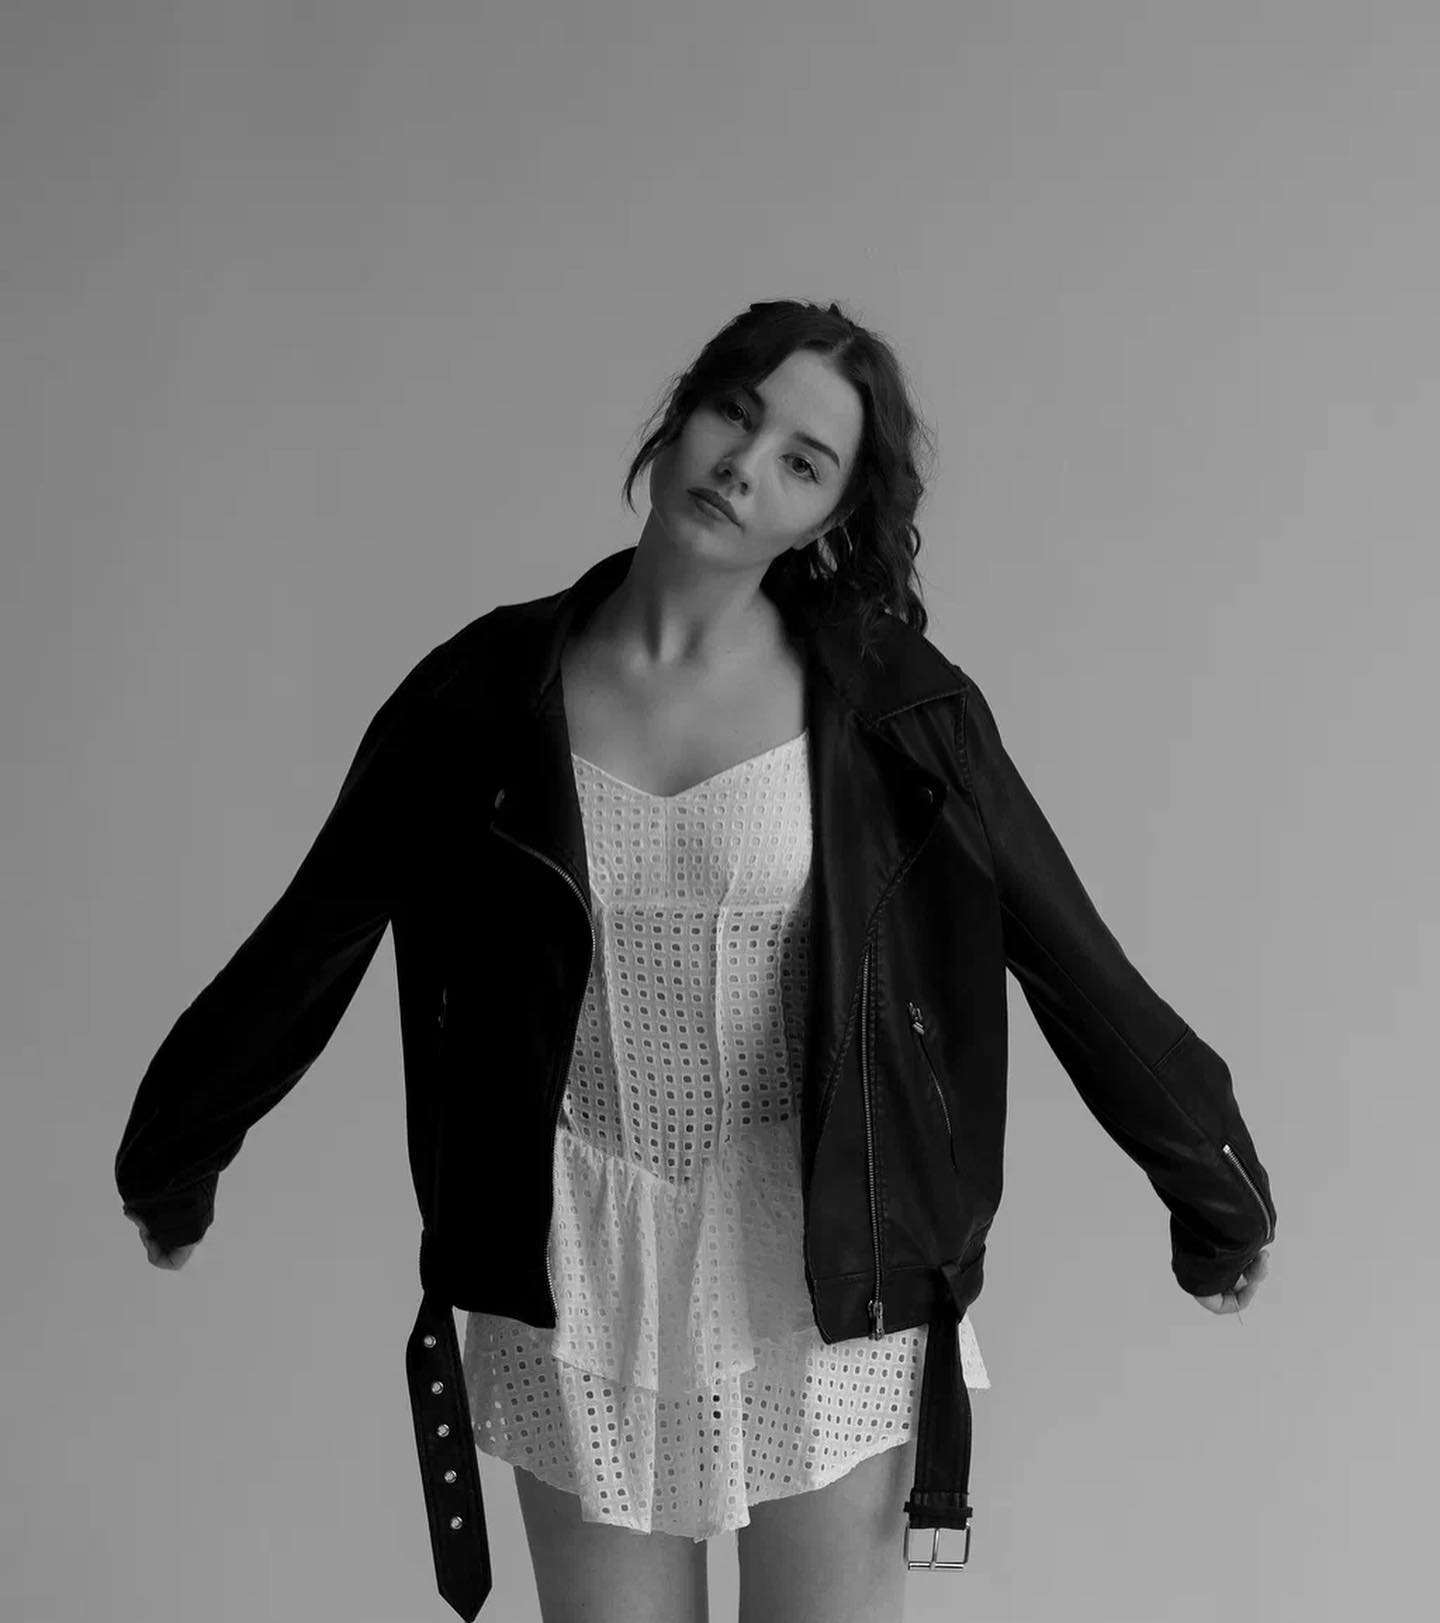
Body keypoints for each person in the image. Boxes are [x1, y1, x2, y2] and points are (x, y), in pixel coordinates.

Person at [118, 298, 1275, 1623]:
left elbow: (1073, 959)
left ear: (830, 516)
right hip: (575, 1256)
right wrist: (174, 1160)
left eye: (803, 461)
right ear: (680, 416)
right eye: (737, 412)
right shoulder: (484, 694)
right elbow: (314, 934)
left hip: (825, 1257)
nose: (745, 465)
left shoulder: (898, 711)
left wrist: (1218, 1193)